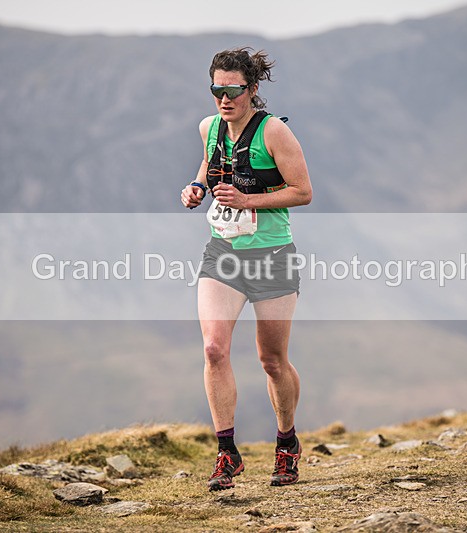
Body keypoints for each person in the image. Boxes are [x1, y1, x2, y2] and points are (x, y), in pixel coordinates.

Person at [180, 47, 312, 491]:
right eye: (217, 88)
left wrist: (248, 200)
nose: (224, 97)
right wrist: (197, 187)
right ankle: (227, 453)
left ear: (252, 90)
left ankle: (287, 443)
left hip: (273, 256)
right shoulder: (209, 127)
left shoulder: (274, 133)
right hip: (223, 254)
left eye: (233, 89)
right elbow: (209, 165)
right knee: (214, 349)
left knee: (272, 361)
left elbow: (303, 191)